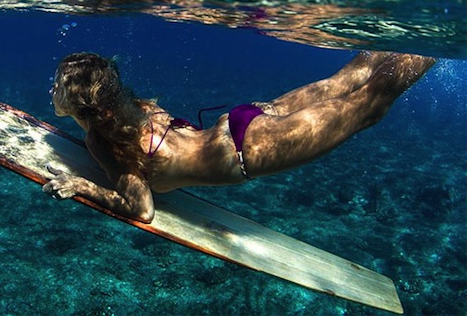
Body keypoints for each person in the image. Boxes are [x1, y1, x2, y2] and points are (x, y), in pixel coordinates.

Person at [43, 51, 436, 223]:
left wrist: (83, 186)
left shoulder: (103, 139)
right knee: (352, 77)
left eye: (58, 84)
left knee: (371, 103)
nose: (51, 89)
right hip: (244, 120)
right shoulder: (135, 107)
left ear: (82, 103)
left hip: (249, 150)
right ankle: (421, 26)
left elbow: (141, 208)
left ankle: (446, 33)